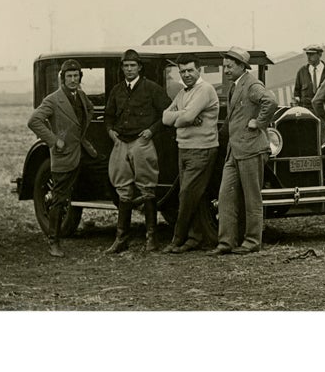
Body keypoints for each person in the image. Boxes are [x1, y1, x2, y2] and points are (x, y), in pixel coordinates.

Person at [27, 60, 98, 257]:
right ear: (63, 79)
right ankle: (54, 242)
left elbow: (90, 110)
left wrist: (80, 134)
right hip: (63, 155)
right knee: (59, 200)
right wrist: (54, 140)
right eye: (69, 76)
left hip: (82, 151)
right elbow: (34, 121)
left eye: (76, 76)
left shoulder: (81, 96)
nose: (73, 80)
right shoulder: (53, 99)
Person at [210, 46, 277, 255]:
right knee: (225, 196)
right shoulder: (234, 87)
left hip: (251, 149)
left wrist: (259, 122)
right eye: (224, 67)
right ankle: (226, 242)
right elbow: (232, 118)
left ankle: (252, 241)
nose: (226, 70)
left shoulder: (251, 85)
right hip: (234, 150)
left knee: (252, 198)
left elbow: (270, 101)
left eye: (230, 66)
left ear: (241, 66)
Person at [104, 49, 171, 253]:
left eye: (133, 65)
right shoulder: (117, 90)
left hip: (142, 143)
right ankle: (121, 238)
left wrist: (151, 131)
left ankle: (151, 238)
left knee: (147, 188)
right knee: (123, 189)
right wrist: (111, 133)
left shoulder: (152, 88)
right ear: (122, 68)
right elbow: (108, 116)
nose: (129, 69)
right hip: (121, 143)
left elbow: (167, 113)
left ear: (139, 67)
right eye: (126, 66)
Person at [160, 53, 220, 253]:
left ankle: (177, 240)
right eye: (182, 71)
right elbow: (165, 117)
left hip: (202, 149)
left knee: (186, 195)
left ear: (199, 70)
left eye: (190, 70)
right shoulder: (182, 93)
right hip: (184, 148)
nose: (186, 75)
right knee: (194, 195)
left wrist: (183, 117)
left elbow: (186, 117)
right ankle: (195, 238)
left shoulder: (205, 90)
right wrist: (183, 116)